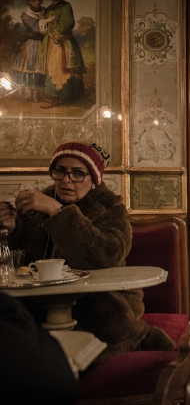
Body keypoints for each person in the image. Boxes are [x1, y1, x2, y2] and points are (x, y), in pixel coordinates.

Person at [1, 142, 174, 360]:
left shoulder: (109, 208)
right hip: (42, 297)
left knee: (95, 317)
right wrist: (12, 230)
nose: (66, 180)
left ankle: (139, 339)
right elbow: (21, 262)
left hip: (104, 299)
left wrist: (58, 213)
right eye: (60, 171)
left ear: (93, 180)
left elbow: (105, 256)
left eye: (78, 173)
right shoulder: (39, 203)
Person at [38, 0, 85, 107]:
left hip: (62, 42)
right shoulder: (48, 9)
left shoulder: (65, 6)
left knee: (62, 68)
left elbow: (68, 22)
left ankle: (66, 97)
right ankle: (51, 98)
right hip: (50, 43)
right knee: (51, 68)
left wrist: (57, 36)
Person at [12, 0, 51, 102]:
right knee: (30, 67)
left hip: (44, 42)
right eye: (34, 0)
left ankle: (40, 95)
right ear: (28, 2)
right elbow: (36, 27)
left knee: (41, 68)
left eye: (39, 0)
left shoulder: (46, 11)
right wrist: (47, 21)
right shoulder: (25, 15)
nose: (37, 2)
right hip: (31, 43)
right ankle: (27, 95)